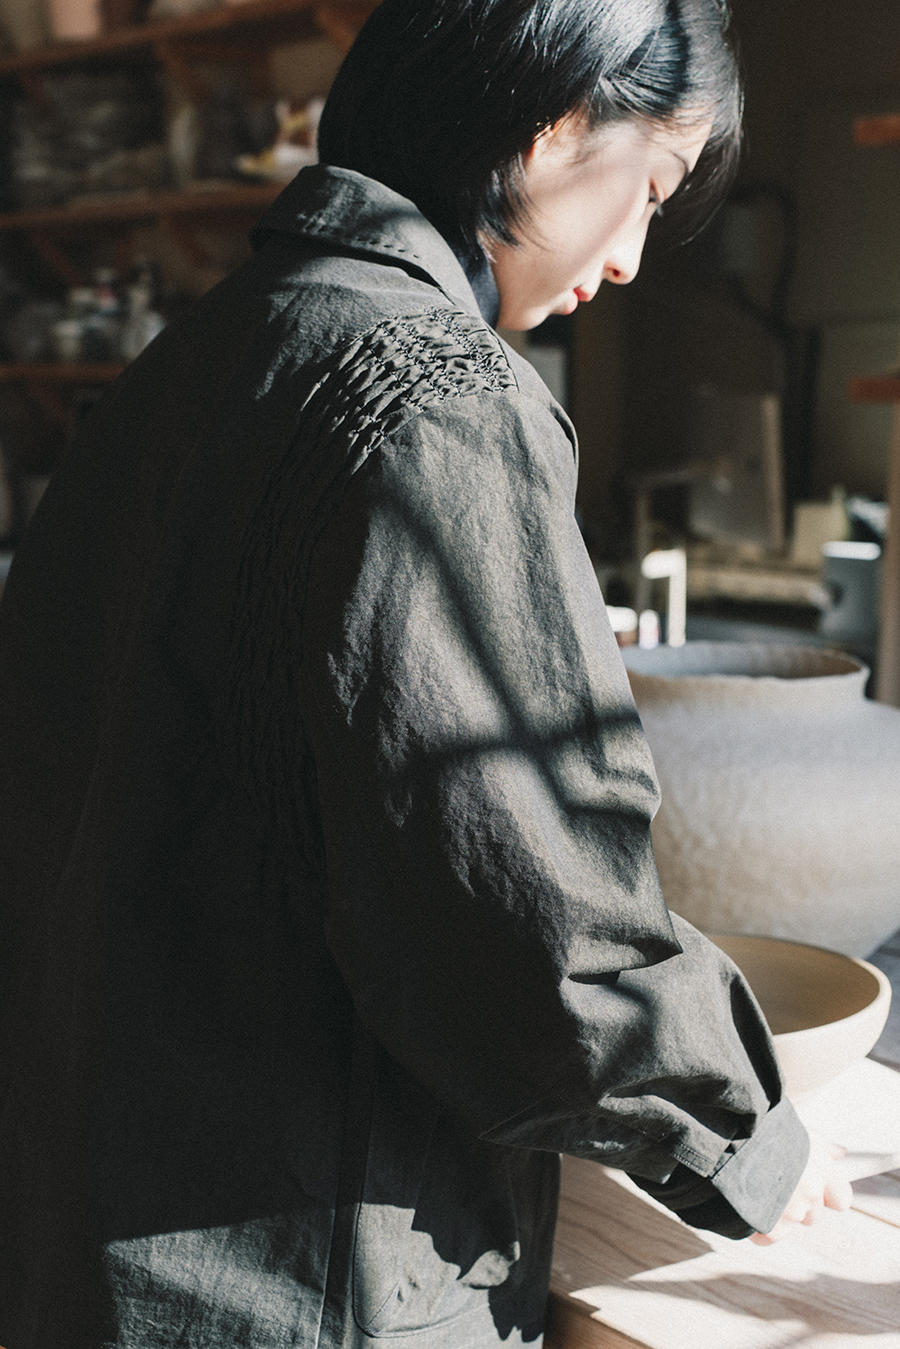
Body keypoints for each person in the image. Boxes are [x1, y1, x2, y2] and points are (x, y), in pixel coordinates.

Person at [0, 2, 850, 1346]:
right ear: (557, 124)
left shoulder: (193, 361)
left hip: (81, 1234)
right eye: (653, 187)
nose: (633, 256)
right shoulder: (437, 398)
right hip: (296, 1283)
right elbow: (537, 930)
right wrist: (748, 1139)